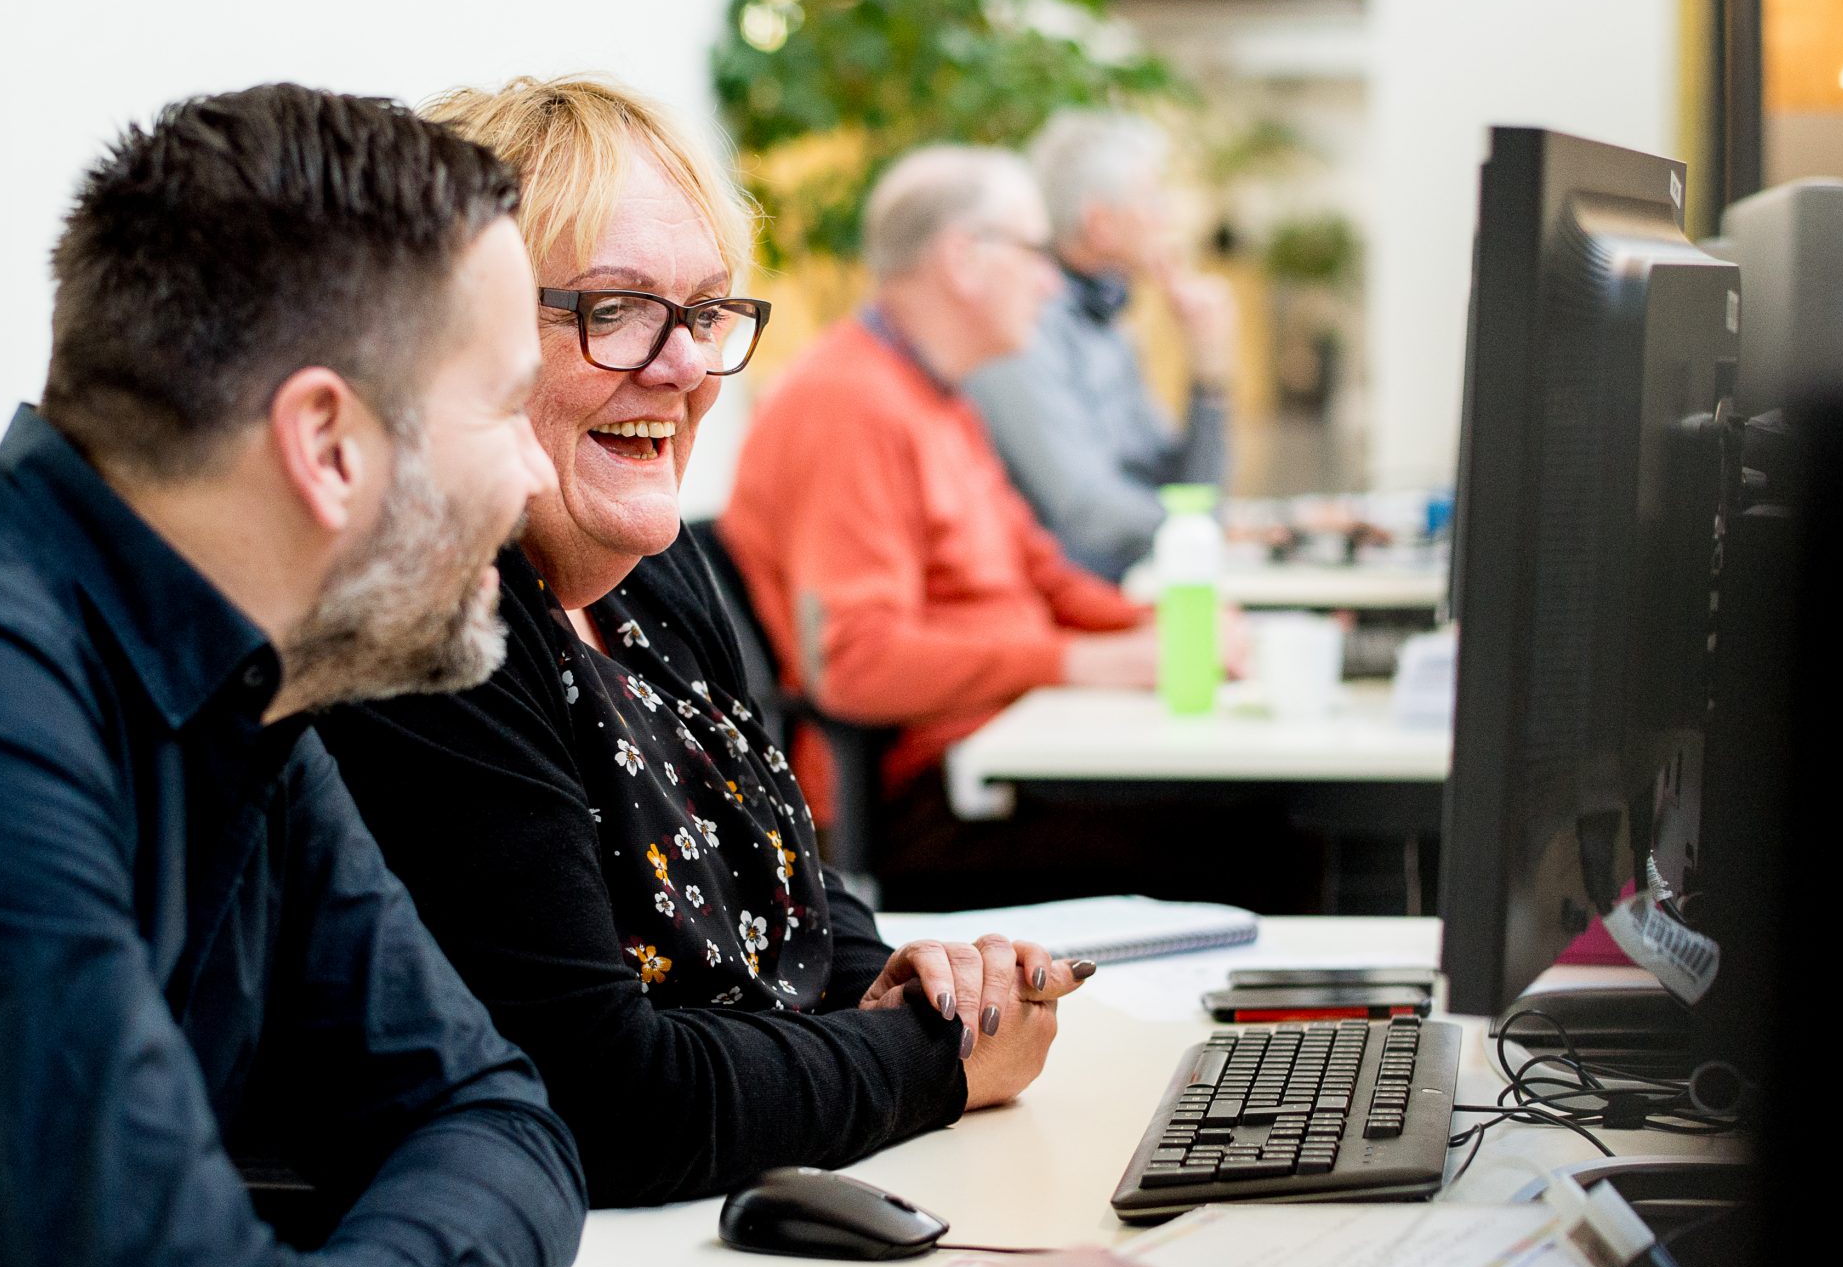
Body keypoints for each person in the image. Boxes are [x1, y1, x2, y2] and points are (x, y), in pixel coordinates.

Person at [0, 84, 1208, 1267]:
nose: (532, 477)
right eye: (494, 404)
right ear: (327, 443)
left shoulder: (244, 665)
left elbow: (491, 1112)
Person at [317, 78, 1086, 1208]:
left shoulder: (649, 562)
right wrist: (940, 1059)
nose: (680, 369)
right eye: (614, 309)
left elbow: (784, 882)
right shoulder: (433, 624)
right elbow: (609, 1101)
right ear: (456, 338)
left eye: (707, 311)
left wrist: (918, 984)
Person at [722, 146, 1290, 912]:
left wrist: (1166, 629)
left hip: (1002, 750)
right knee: (1264, 834)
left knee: (1256, 802)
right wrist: (1083, 662)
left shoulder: (941, 397)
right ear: (964, 259)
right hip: (930, 802)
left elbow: (1043, 574)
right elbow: (857, 663)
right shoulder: (847, 406)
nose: (1053, 281)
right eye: (1034, 253)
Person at [964, 111, 1236, 582]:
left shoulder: (1110, 324)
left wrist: (1209, 367)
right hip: (1057, 605)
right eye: (1152, 200)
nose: (1167, 217)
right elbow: (1088, 512)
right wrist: (1199, 532)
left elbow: (1186, 488)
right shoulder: (1025, 329)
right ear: (1100, 225)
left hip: (1123, 588)